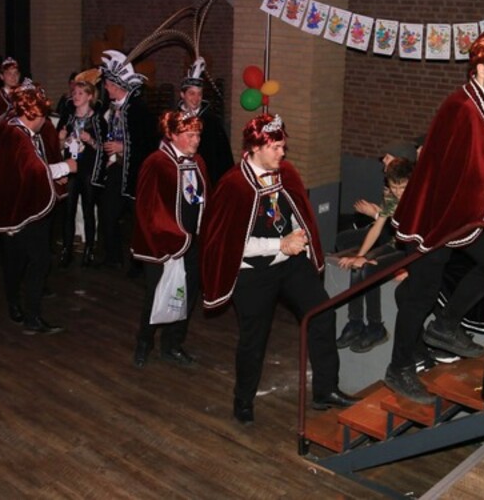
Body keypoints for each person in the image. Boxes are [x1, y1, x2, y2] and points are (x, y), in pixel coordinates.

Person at [386, 32, 484, 404]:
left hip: (455, 213)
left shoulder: (479, 104)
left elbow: (476, 161)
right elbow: (467, 174)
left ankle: (444, 325)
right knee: (421, 294)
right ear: (481, 70)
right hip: (432, 218)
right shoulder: (464, 108)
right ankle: (399, 368)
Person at [201, 114, 357, 424]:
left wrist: (299, 232)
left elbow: (297, 210)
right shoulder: (233, 185)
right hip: (252, 271)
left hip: (291, 265)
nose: (282, 153)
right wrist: (279, 245)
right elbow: (229, 243)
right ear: (255, 148)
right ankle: (243, 400)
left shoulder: (285, 172)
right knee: (254, 339)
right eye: (275, 147)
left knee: (322, 313)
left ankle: (326, 389)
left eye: (283, 146)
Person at [0, 84, 76, 334]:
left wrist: (51, 175)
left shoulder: (10, 128)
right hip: (23, 209)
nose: (44, 122)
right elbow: (34, 170)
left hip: (15, 204)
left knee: (16, 259)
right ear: (32, 114)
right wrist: (66, 167)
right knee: (38, 260)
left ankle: (16, 305)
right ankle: (31, 317)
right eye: (43, 117)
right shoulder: (18, 135)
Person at [131, 110, 209, 368]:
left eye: (198, 135)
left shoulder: (198, 162)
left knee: (186, 296)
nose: (196, 140)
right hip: (163, 243)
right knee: (157, 295)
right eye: (190, 135)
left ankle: (173, 345)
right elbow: (145, 206)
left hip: (193, 241)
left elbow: (202, 200)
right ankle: (144, 342)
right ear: (172, 135)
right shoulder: (156, 162)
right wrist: (165, 239)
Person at [335, 157, 413, 353]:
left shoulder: (418, 200)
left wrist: (410, 269)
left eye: (403, 187)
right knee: (359, 266)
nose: (398, 192)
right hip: (396, 244)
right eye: (394, 187)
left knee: (370, 269)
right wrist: (359, 255)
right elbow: (377, 229)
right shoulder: (391, 198)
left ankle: (376, 326)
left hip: (411, 250)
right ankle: (355, 323)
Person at [97, 50, 156, 268]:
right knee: (108, 212)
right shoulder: (111, 107)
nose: (105, 88)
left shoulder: (138, 110)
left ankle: (138, 262)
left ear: (116, 85)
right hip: (116, 169)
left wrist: (123, 147)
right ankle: (113, 257)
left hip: (134, 172)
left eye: (107, 85)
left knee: (137, 218)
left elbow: (149, 142)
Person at [56, 79, 106, 268]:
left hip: (89, 170)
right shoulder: (68, 118)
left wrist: (90, 140)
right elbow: (58, 145)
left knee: (88, 210)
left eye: (80, 93)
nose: (76, 97)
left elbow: (103, 147)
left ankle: (89, 249)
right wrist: (62, 139)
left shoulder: (97, 120)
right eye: (74, 93)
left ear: (89, 96)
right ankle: (67, 249)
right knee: (68, 210)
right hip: (71, 168)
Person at [177, 56, 233, 185]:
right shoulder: (174, 120)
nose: (196, 99)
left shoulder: (212, 122)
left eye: (199, 94)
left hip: (205, 182)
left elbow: (223, 159)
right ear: (182, 95)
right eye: (192, 93)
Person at [0, 57, 22, 127]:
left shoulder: (25, 97)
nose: (13, 77)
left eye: (16, 73)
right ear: (1, 76)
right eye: (9, 74)